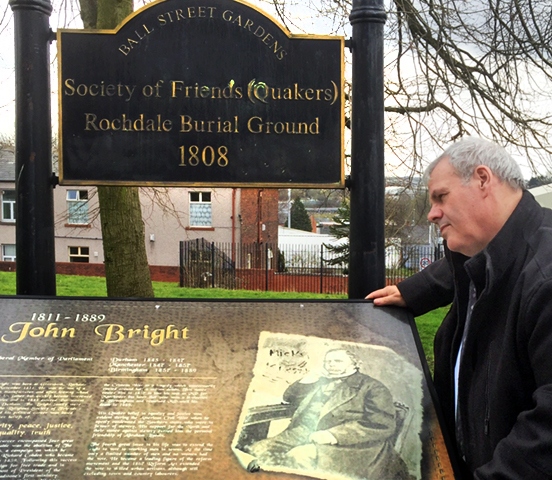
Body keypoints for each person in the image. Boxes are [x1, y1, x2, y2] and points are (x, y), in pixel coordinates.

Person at [368, 137, 552, 479]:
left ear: (483, 179)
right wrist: (413, 291)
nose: (432, 212)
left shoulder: (544, 276)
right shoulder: (485, 252)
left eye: (441, 197)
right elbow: (457, 269)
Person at [246, 348, 411, 479]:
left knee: (299, 457)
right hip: (303, 432)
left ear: (355, 363)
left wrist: (333, 435)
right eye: (328, 361)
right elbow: (289, 398)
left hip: (348, 445)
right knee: (258, 450)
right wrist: (310, 378)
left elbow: (381, 425)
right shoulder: (321, 380)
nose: (331, 364)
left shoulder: (373, 387)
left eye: (337, 361)